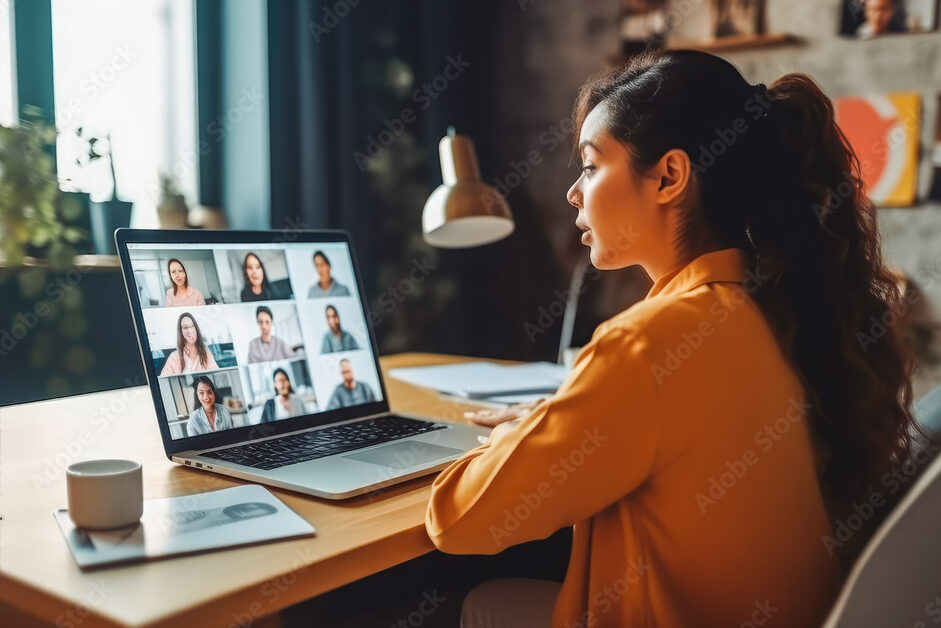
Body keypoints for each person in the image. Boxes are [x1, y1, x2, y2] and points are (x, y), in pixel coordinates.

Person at [427, 50, 920, 627]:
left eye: (589, 166)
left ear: (669, 177)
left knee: (471, 602)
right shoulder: (766, 312)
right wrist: (566, 418)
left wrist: (516, 434)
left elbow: (458, 520)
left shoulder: (644, 344)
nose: (572, 194)